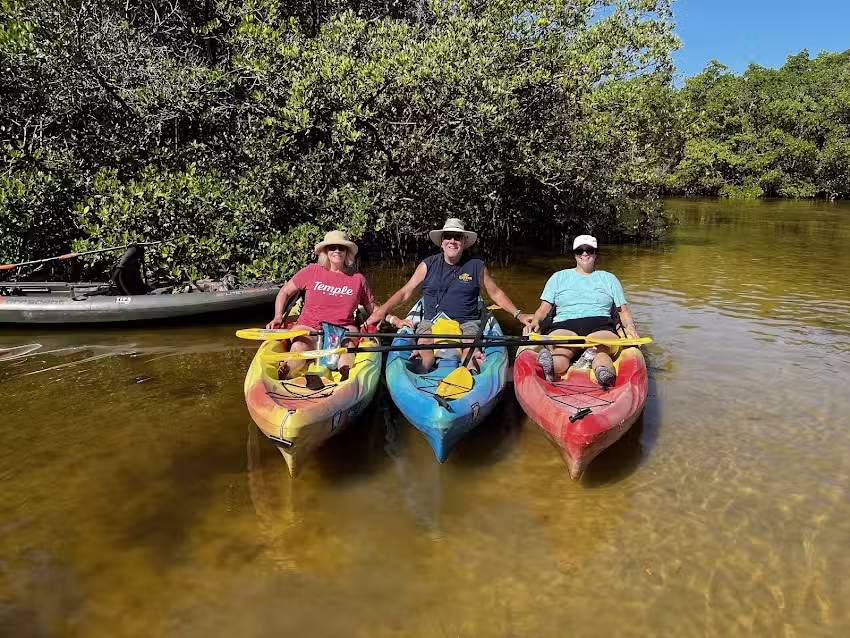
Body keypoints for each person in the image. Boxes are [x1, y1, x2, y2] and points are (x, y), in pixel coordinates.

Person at [365, 218, 533, 373]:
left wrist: (518, 314)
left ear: (464, 242)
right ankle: (422, 368)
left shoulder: (477, 266)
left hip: (467, 323)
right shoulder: (427, 265)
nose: (452, 241)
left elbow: (495, 292)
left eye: (457, 237)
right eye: (448, 237)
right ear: (442, 242)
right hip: (431, 322)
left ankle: (471, 371)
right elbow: (405, 291)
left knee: (469, 348)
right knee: (425, 345)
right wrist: (381, 311)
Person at [526, 234, 640, 386]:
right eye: (580, 251)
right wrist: (535, 321)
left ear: (595, 253)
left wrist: (630, 327)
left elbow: (622, 311)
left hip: (600, 325)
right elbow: (543, 308)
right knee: (562, 350)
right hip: (564, 325)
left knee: (600, 350)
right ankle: (551, 365)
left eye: (589, 250)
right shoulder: (558, 277)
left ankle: (603, 372)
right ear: (575, 254)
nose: (584, 254)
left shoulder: (609, 278)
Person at [266, 230, 375, 380]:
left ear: (347, 252)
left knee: (346, 349)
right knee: (299, 346)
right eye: (332, 247)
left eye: (341, 248)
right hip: (309, 327)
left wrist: (393, 319)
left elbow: (372, 307)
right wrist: (278, 316)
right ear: (325, 251)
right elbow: (284, 292)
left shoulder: (358, 279)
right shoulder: (312, 271)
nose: (337, 251)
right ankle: (288, 369)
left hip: (342, 330)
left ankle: (346, 372)